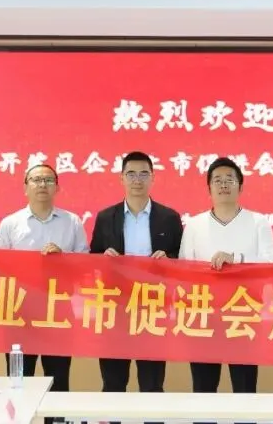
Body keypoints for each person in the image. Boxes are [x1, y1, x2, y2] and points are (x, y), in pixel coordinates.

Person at [179, 157, 273, 394]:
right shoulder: (194, 224)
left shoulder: (258, 222)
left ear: (240, 187)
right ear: (209, 188)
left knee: (244, 389)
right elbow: (184, 269)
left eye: (229, 180)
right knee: (203, 389)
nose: (223, 184)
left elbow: (271, 263)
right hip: (204, 316)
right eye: (217, 180)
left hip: (244, 314)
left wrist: (236, 260)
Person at [90, 151, 184, 393]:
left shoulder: (169, 217)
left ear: (153, 178)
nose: (137, 180)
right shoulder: (105, 217)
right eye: (131, 174)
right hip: (115, 307)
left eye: (144, 174)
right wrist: (103, 258)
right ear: (121, 178)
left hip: (154, 307)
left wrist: (169, 259)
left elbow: (182, 258)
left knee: (152, 385)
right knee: (113, 383)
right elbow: (92, 259)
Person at [0, 163, 88, 392]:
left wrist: (63, 259)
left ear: (57, 187)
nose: (42, 184)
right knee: (19, 381)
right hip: (19, 314)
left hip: (58, 313)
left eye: (48, 180)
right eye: (36, 180)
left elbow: (85, 265)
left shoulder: (72, 222)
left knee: (58, 382)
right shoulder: (10, 223)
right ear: (25, 187)